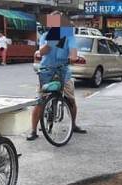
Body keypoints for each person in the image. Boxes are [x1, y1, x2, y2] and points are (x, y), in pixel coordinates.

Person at [27, 11, 86, 141]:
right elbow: (42, 52)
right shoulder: (46, 36)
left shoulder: (69, 36)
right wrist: (49, 43)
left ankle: (73, 124)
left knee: (70, 99)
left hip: (63, 71)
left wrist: (74, 57)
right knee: (40, 100)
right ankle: (33, 130)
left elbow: (73, 53)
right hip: (46, 70)